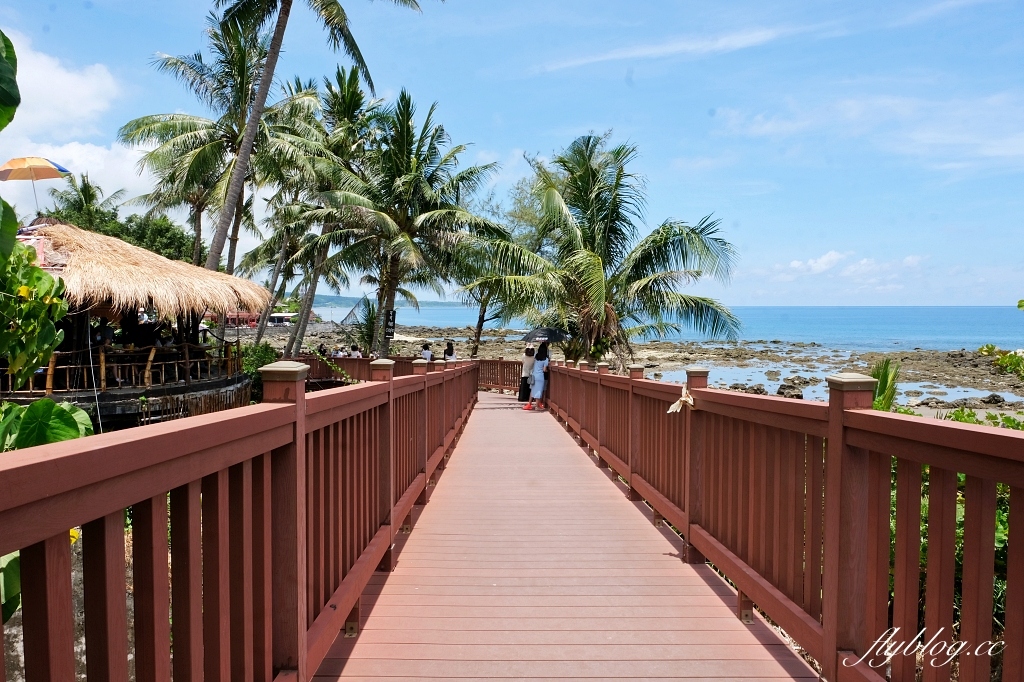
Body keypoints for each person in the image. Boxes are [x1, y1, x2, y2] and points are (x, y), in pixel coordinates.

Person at [524, 342, 549, 410]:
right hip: (540, 377)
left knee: (533, 390)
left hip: (534, 376)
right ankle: (537, 406)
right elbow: (544, 369)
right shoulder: (546, 359)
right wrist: (547, 370)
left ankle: (529, 404)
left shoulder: (536, 356)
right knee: (539, 390)